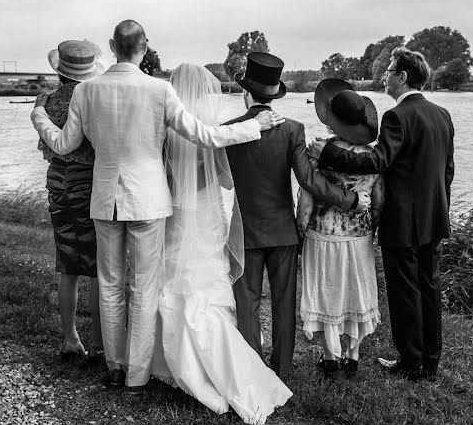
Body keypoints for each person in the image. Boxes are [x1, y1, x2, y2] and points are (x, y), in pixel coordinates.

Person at [31, 20, 284, 393]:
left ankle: (115, 368)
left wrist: (38, 117)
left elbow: (64, 145)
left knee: (112, 283)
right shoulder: (159, 90)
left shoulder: (87, 91)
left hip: (104, 200)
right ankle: (136, 375)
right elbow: (206, 136)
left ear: (113, 46)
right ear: (144, 47)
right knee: (145, 287)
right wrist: (254, 126)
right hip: (148, 200)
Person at [155, 62, 292, 425]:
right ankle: (242, 369)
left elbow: (167, 176)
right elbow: (227, 183)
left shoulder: (168, 130)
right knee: (208, 289)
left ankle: (175, 365)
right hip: (207, 215)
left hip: (177, 214)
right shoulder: (212, 132)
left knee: (176, 284)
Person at [309, 48, 454, 381]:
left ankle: (409, 363)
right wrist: (439, 208)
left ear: (402, 77)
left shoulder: (397, 117)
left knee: (405, 292)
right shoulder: (442, 114)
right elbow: (447, 171)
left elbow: (377, 161)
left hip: (403, 220)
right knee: (429, 288)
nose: (385, 76)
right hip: (433, 217)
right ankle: (430, 360)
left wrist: (329, 151)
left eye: (389, 71)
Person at [223, 52, 370, 379]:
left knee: (247, 303)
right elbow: (309, 181)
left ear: (247, 93)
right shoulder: (293, 130)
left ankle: (250, 372)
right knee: (282, 304)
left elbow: (220, 180)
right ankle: (282, 370)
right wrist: (350, 199)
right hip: (283, 232)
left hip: (243, 231)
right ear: (275, 94)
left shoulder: (229, 131)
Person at [296, 80, 384, 378]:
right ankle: (353, 354)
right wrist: (374, 227)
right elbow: (379, 200)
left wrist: (300, 229)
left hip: (322, 233)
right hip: (359, 236)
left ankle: (330, 356)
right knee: (354, 292)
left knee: (327, 291)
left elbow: (306, 197)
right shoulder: (373, 157)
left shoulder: (318, 151)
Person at [39, 39, 107, 363]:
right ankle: (97, 344)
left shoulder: (48, 101)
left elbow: (46, 146)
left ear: (61, 71)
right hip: (86, 182)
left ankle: (69, 338)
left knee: (67, 266)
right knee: (96, 269)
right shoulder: (92, 101)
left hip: (57, 181)